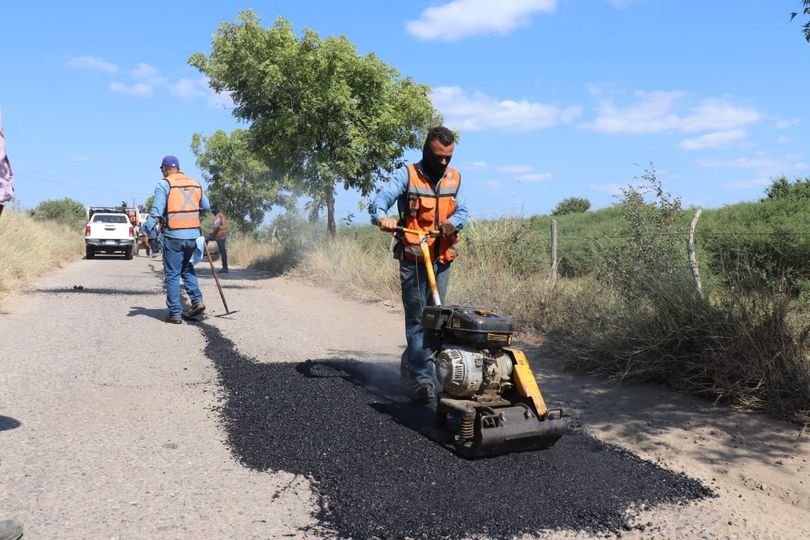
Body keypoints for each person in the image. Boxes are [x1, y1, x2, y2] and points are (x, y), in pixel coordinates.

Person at [369, 126, 469, 404]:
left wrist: (454, 223)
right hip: (414, 256)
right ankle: (424, 380)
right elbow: (380, 201)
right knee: (417, 318)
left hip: (441, 257)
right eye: (438, 156)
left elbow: (463, 210)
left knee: (435, 319)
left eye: (448, 157)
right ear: (427, 150)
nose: (443, 162)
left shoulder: (455, 178)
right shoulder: (407, 174)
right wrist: (383, 217)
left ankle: (411, 365)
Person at [143, 155, 210, 324]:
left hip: (174, 236)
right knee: (187, 269)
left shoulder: (164, 184)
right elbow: (206, 207)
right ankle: (197, 301)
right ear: (178, 168)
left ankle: (175, 313)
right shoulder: (195, 182)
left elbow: (156, 211)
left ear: (165, 169)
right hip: (193, 236)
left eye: (162, 170)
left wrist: (146, 231)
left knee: (172, 275)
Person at [208, 206, 229, 273]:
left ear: (215, 211)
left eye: (212, 211)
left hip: (220, 236)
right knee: (223, 251)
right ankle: (225, 267)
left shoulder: (218, 216)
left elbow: (217, 227)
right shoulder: (221, 215)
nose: (212, 212)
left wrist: (213, 235)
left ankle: (225, 268)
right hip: (223, 235)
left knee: (222, 251)